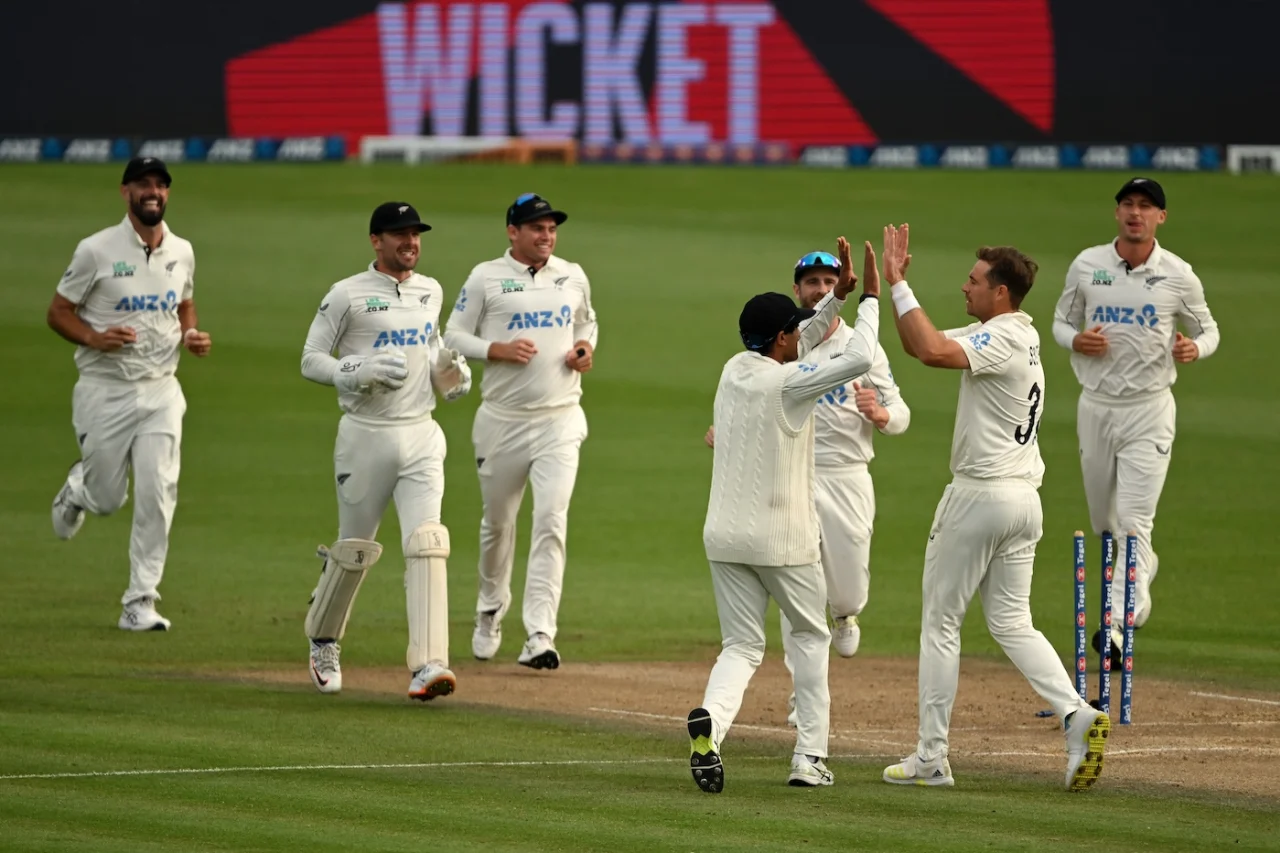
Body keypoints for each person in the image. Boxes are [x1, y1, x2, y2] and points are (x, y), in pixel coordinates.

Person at [878, 224, 1109, 792]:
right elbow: (921, 343)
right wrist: (897, 294)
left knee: (940, 623)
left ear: (1001, 292)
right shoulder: (1015, 333)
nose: (965, 286)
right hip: (1023, 503)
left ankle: (932, 758)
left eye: (975, 280)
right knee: (1010, 620)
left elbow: (931, 351)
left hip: (980, 497)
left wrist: (898, 282)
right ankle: (1077, 713)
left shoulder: (1001, 338)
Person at [687, 238, 880, 794]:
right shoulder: (791, 385)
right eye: (793, 331)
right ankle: (809, 758)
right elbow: (859, 357)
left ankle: (712, 724)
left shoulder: (733, 370)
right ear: (780, 340)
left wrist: (832, 301)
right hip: (784, 538)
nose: (802, 335)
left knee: (742, 646)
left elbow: (805, 336)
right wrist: (868, 297)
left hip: (724, 536)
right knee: (810, 636)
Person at [705, 248, 911, 726]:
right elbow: (827, 350)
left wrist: (882, 414)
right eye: (812, 283)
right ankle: (807, 722)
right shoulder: (792, 364)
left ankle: (846, 612)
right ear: (795, 295)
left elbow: (889, 396)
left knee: (845, 590)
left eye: (828, 282)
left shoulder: (751, 361)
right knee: (798, 591)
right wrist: (872, 297)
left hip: (847, 475)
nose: (820, 290)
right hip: (793, 483)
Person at [299, 201, 472, 701]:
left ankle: (429, 663)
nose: (410, 243)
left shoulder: (430, 291)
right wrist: (352, 371)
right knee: (354, 550)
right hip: (365, 436)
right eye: (399, 235)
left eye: (415, 234)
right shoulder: (346, 296)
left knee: (428, 541)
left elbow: (432, 348)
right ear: (376, 240)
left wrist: (450, 374)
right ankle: (324, 639)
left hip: (421, 433)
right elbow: (311, 359)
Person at [1052, 178, 1220, 661]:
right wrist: (1075, 341)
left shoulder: (1178, 275)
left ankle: (1118, 625)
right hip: (1097, 407)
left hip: (1150, 409)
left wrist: (1194, 348)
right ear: (1117, 213)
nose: (1135, 213)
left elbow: (1208, 330)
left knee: (1132, 521)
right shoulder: (1089, 265)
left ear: (1160, 218)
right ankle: (1140, 568)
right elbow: (1062, 322)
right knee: (1105, 525)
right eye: (1127, 204)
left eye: (1146, 206)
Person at [48, 157, 212, 631]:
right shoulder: (95, 251)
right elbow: (58, 311)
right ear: (125, 192)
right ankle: (79, 488)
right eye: (143, 184)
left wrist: (191, 335)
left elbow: (184, 303)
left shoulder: (182, 250)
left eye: (160, 185)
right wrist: (93, 338)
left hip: (162, 390)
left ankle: (140, 600)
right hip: (106, 391)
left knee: (158, 494)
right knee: (106, 498)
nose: (153, 192)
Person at [443, 193, 598, 671]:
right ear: (513, 231)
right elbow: (452, 336)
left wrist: (584, 349)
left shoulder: (572, 274)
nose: (546, 236)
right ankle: (490, 610)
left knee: (552, 519)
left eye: (551, 228)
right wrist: (497, 349)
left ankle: (539, 634)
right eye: (536, 228)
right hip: (503, 422)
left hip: (561, 419)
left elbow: (587, 322)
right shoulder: (486, 277)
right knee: (498, 526)